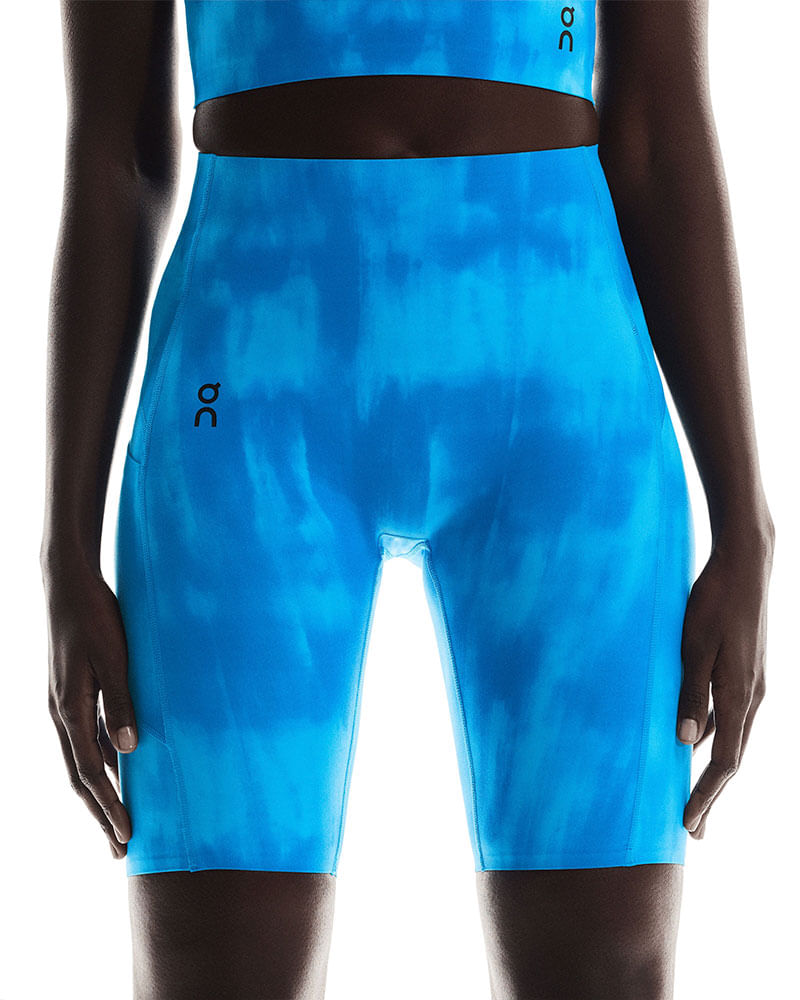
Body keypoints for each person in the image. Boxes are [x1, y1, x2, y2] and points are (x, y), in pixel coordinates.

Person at [40, 2, 774, 997]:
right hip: (247, 405)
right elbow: (114, 154)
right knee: (213, 974)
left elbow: (655, 129)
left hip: (564, 414)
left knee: (604, 973)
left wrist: (745, 525)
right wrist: (63, 550)